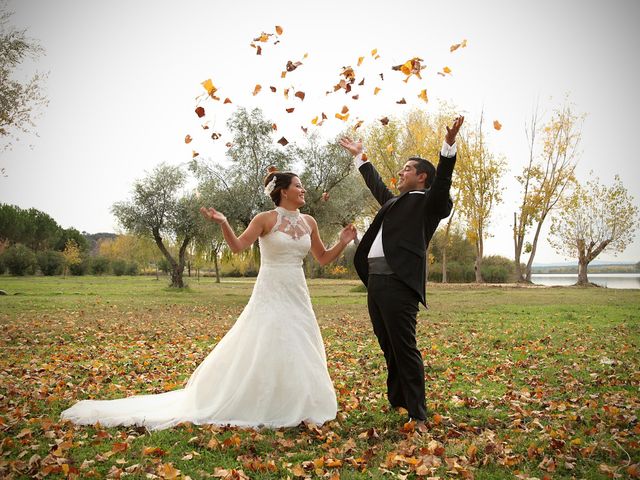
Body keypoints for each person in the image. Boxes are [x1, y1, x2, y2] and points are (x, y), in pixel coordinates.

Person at [61, 170, 357, 430]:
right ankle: (259, 402)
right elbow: (239, 246)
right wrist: (225, 223)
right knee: (267, 339)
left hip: (297, 292)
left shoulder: (309, 222)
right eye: (298, 185)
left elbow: (322, 257)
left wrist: (342, 243)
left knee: (299, 341)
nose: (303, 190)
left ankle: (301, 403)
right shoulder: (264, 219)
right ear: (283, 191)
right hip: (271, 289)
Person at [339, 116, 464, 431]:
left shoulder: (429, 203)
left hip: (399, 284)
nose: (400, 172)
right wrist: (360, 157)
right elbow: (377, 185)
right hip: (376, 283)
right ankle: (399, 400)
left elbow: (444, 182)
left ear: (422, 177)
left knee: (404, 347)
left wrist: (448, 147)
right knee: (388, 344)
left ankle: (417, 413)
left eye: (407, 169)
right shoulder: (394, 203)